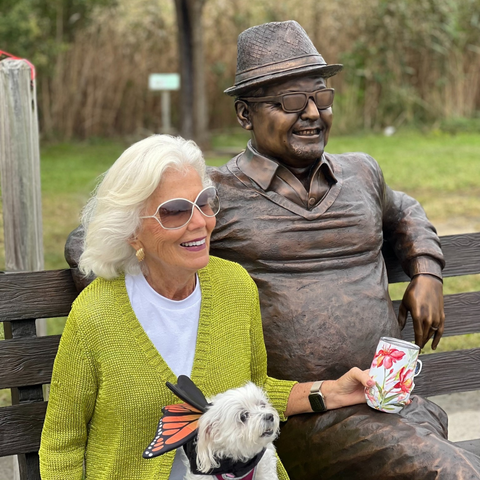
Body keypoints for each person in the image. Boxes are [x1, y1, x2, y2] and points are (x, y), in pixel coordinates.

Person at [208, 20, 480, 479]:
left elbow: (405, 211)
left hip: (388, 400)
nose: (313, 113)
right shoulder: (215, 193)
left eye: (321, 97)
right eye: (291, 102)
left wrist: (428, 272)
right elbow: (103, 240)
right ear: (244, 114)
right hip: (297, 418)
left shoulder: (361, 174)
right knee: (452, 472)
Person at [39, 134, 375, 480]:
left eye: (204, 202)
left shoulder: (234, 287)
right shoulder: (95, 315)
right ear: (133, 231)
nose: (199, 222)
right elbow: (61, 443)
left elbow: (256, 386)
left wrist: (329, 392)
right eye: (175, 211)